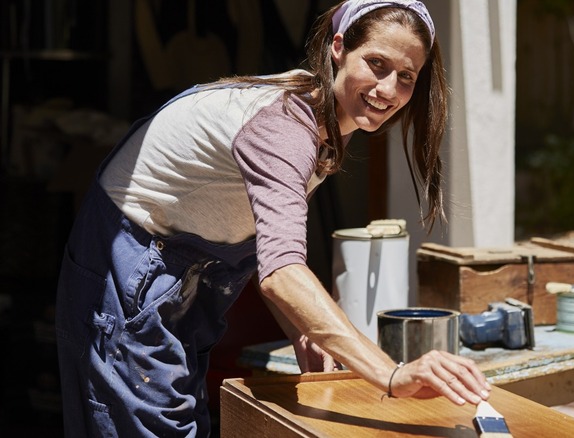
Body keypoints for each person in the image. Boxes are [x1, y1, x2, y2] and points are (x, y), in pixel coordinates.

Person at [55, 0, 491, 436]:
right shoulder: (284, 126)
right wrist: (391, 375)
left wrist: (306, 329)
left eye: (406, 77)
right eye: (376, 63)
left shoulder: (325, 120)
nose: (388, 89)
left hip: (177, 271)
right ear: (338, 48)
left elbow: (266, 242)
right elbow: (281, 272)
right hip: (126, 265)